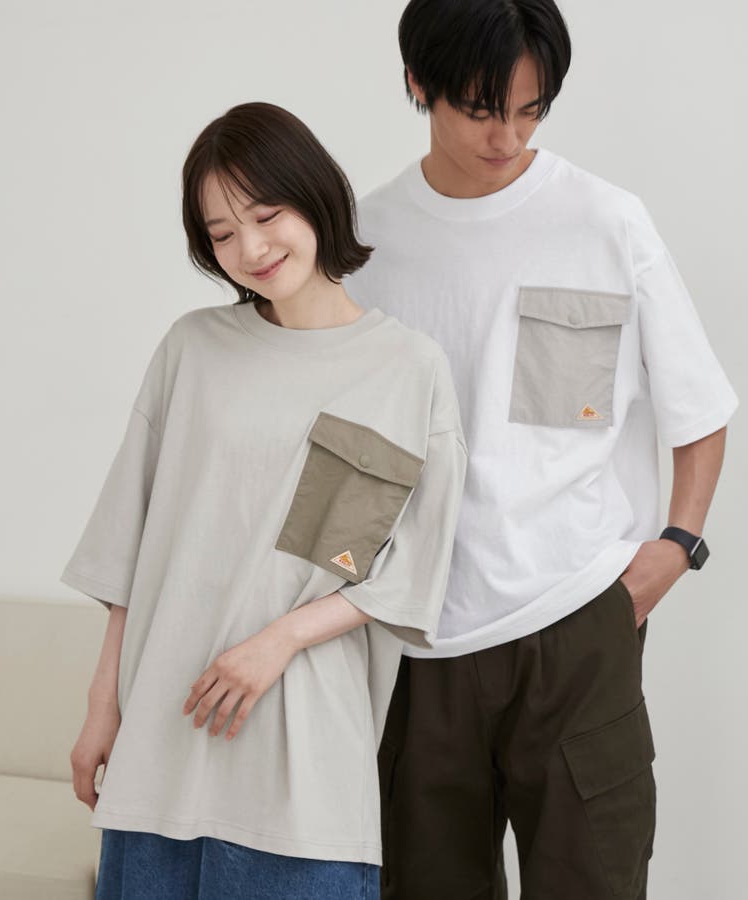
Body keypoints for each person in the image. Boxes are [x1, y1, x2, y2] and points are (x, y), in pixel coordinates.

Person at [345, 2, 739, 898]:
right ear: (418, 83)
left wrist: (676, 547)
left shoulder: (604, 221)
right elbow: (349, 449)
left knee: (595, 881)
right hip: (420, 642)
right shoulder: (367, 242)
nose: (507, 137)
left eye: (531, 111)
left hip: (577, 623)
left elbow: (700, 407)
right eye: (482, 110)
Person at [63, 101, 467, 900]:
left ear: (315, 199)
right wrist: (101, 704)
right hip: (161, 746)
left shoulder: (405, 370)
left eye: (266, 214)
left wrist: (279, 640)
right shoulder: (192, 349)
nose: (250, 248)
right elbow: (127, 551)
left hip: (303, 768)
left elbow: (409, 573)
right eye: (221, 232)